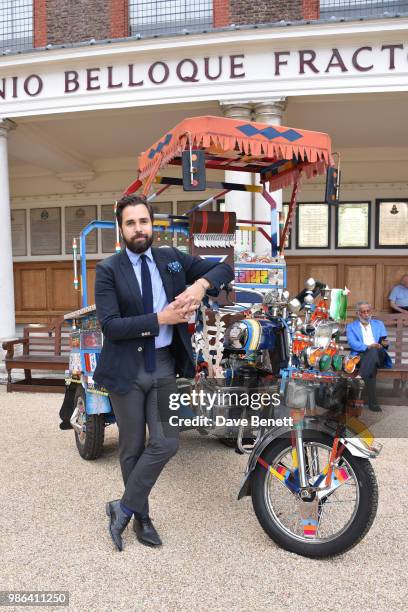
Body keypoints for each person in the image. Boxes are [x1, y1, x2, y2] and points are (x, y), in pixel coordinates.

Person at [93, 194, 234, 551]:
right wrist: (161, 319)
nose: (138, 229)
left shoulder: (171, 259)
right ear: (121, 229)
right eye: (131, 223)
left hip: (165, 366)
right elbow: (110, 326)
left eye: (143, 221)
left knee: (167, 441)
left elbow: (224, 269)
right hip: (126, 369)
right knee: (131, 446)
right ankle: (142, 517)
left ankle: (123, 506)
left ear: (151, 225)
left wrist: (200, 285)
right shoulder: (108, 269)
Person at [346, 302, 392, 412]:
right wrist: (367, 346)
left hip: (379, 354)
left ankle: (360, 375)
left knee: (374, 351)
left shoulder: (379, 324)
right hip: (361, 356)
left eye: (368, 311)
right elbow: (352, 343)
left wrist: (385, 343)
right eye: (363, 312)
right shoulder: (351, 327)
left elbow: (383, 341)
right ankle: (373, 402)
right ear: (358, 313)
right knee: (370, 361)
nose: (366, 314)